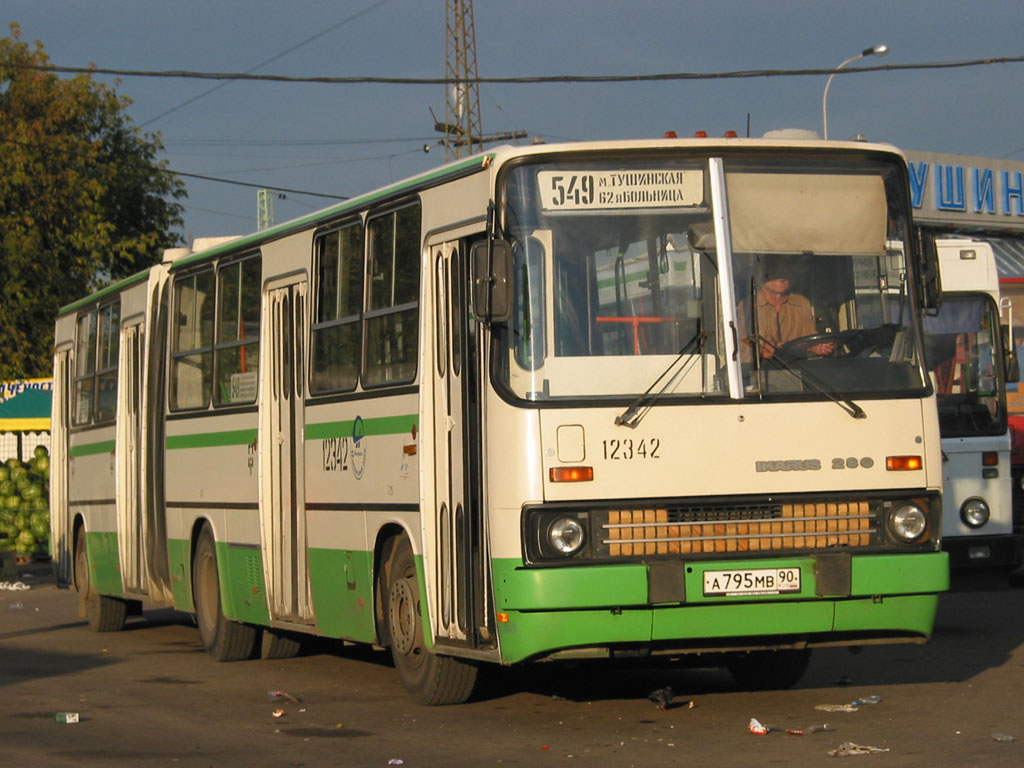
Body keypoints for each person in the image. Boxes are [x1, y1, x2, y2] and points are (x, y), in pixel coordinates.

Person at [738, 261, 834, 361]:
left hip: (798, 370)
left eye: (785, 270)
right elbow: (744, 347)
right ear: (760, 276)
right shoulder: (747, 305)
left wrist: (820, 347)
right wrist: (763, 349)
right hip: (760, 373)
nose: (780, 275)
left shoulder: (802, 303)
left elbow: (810, 340)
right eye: (773, 271)